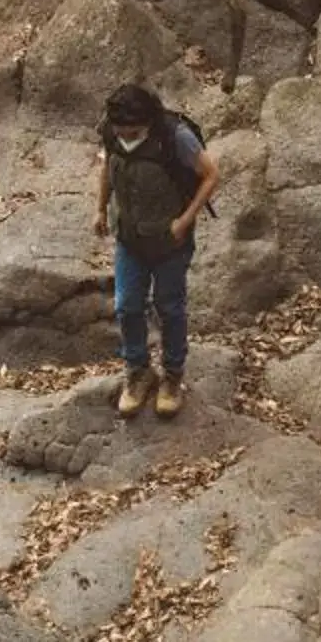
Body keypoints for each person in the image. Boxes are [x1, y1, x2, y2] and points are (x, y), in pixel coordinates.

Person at [92, 84, 218, 419]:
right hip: (130, 239)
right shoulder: (111, 131)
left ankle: (173, 375)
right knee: (127, 304)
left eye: (132, 132)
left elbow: (210, 175)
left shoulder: (175, 137)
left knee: (169, 306)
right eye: (120, 131)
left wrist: (185, 219)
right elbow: (107, 168)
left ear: (148, 122)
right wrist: (100, 210)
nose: (125, 136)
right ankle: (137, 371)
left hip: (170, 241)